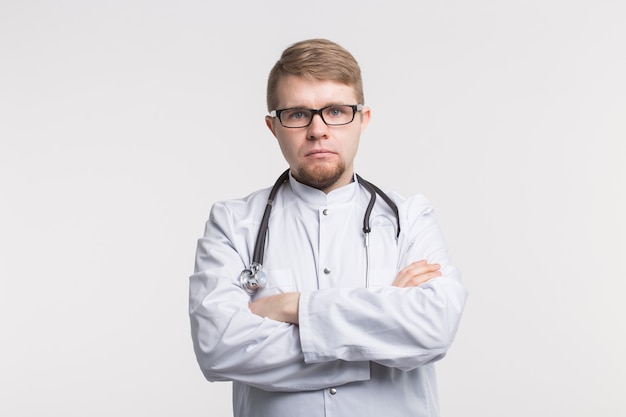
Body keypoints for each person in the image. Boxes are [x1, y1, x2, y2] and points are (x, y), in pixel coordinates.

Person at [189, 38, 468, 417]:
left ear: (362, 120)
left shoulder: (409, 218)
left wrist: (289, 306)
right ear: (274, 127)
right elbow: (219, 347)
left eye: (336, 111)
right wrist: (381, 331)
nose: (318, 129)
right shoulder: (234, 222)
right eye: (298, 114)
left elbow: (433, 329)